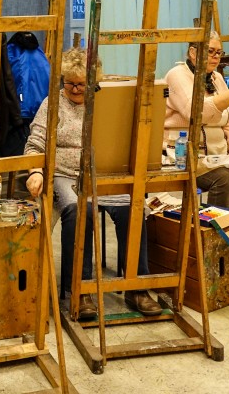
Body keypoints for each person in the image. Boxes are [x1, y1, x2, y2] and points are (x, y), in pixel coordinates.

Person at [24, 47, 162, 319]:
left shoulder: (105, 103)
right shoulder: (52, 104)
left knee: (132, 208)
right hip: (65, 175)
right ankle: (80, 289)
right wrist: (35, 171)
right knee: (79, 210)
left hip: (103, 175)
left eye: (82, 84)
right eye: (70, 83)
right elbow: (35, 143)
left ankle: (136, 287)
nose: (76, 89)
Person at [164, 32, 229, 222]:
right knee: (226, 179)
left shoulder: (217, 78)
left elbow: (228, 120)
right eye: (210, 51)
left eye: (219, 53)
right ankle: (214, 234)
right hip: (185, 156)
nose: (215, 57)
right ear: (193, 52)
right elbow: (196, 113)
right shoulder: (177, 75)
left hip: (218, 156)